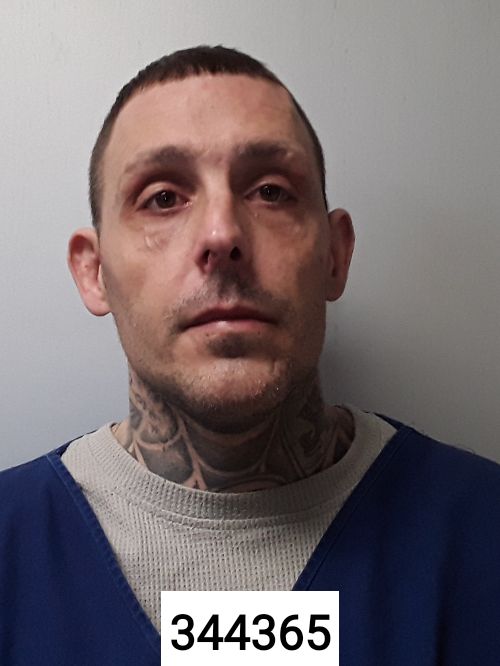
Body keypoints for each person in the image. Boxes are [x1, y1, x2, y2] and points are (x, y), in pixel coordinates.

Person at [1, 45, 499, 666]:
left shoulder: (483, 532)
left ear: (335, 255)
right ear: (94, 271)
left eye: (270, 191)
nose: (222, 234)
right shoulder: (11, 542)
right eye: (163, 198)